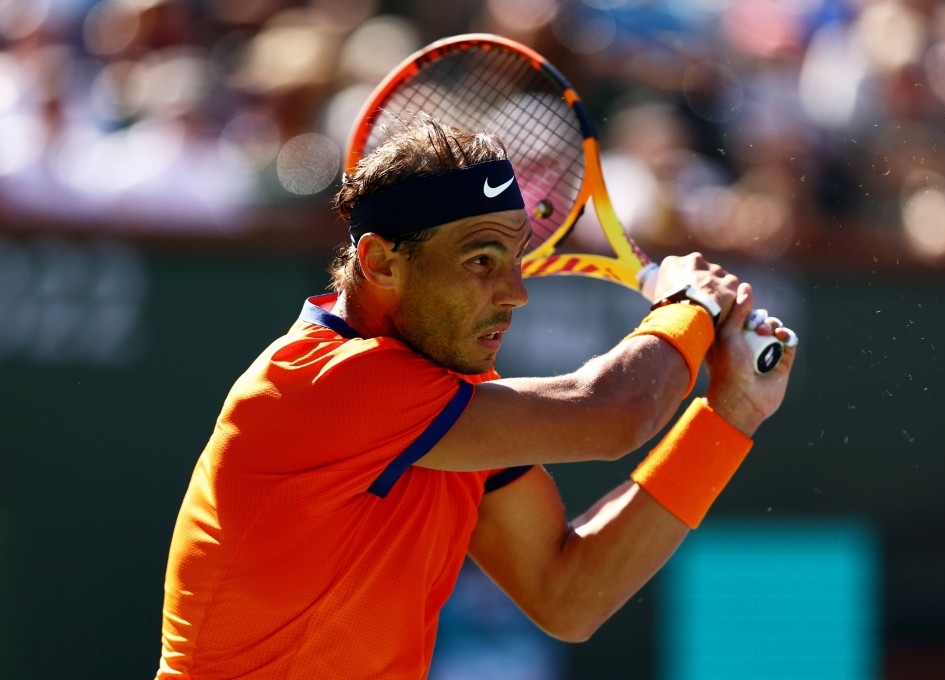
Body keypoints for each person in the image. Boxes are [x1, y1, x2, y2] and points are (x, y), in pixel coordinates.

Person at [155, 114, 797, 679]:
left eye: (515, 259)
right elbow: (616, 412)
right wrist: (690, 306)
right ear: (380, 262)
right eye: (481, 260)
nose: (516, 292)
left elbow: (568, 594)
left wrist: (731, 414)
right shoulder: (322, 385)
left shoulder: (457, 406)